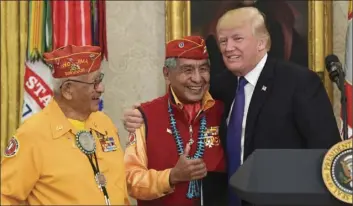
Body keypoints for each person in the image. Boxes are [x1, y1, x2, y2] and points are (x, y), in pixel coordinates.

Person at [123, 7, 341, 206]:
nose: (228, 48)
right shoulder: (220, 86)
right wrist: (137, 115)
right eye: (223, 41)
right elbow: (177, 103)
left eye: (237, 39)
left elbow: (327, 156)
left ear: (262, 43)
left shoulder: (299, 83)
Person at [1, 45, 130, 205]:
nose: (101, 88)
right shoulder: (32, 135)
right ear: (68, 90)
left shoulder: (104, 123)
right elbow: (5, 196)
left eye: (100, 80)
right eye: (94, 83)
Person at [124, 36, 227, 206]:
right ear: (167, 74)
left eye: (203, 69)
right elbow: (130, 179)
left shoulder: (223, 110)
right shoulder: (145, 116)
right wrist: (171, 177)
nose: (197, 78)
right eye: (187, 70)